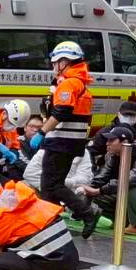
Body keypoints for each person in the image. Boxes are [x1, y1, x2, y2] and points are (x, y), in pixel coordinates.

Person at [30, 41, 102, 238]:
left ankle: (86, 213)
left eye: (55, 63)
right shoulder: (75, 83)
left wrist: (41, 132)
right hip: (68, 142)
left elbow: (61, 112)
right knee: (50, 185)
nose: (53, 67)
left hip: (62, 142)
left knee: (52, 185)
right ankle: (51, 224)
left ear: (64, 62)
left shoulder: (70, 83)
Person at [79, 126, 136, 236]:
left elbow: (127, 180)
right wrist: (86, 190)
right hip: (127, 195)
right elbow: (101, 178)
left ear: (125, 142)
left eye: (112, 140)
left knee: (129, 188)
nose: (107, 143)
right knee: (92, 194)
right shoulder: (114, 156)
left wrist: (98, 191)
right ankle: (123, 220)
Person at [87, 100, 136, 171]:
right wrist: (93, 170)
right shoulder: (105, 132)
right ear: (119, 114)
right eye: (125, 115)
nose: (128, 118)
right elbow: (90, 151)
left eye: (132, 115)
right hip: (109, 167)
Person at [21, 147, 93, 194]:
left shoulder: (83, 152)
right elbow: (29, 174)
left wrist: (62, 182)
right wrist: (66, 183)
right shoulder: (45, 150)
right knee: (24, 185)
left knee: (82, 191)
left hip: (71, 194)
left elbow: (85, 179)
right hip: (45, 192)